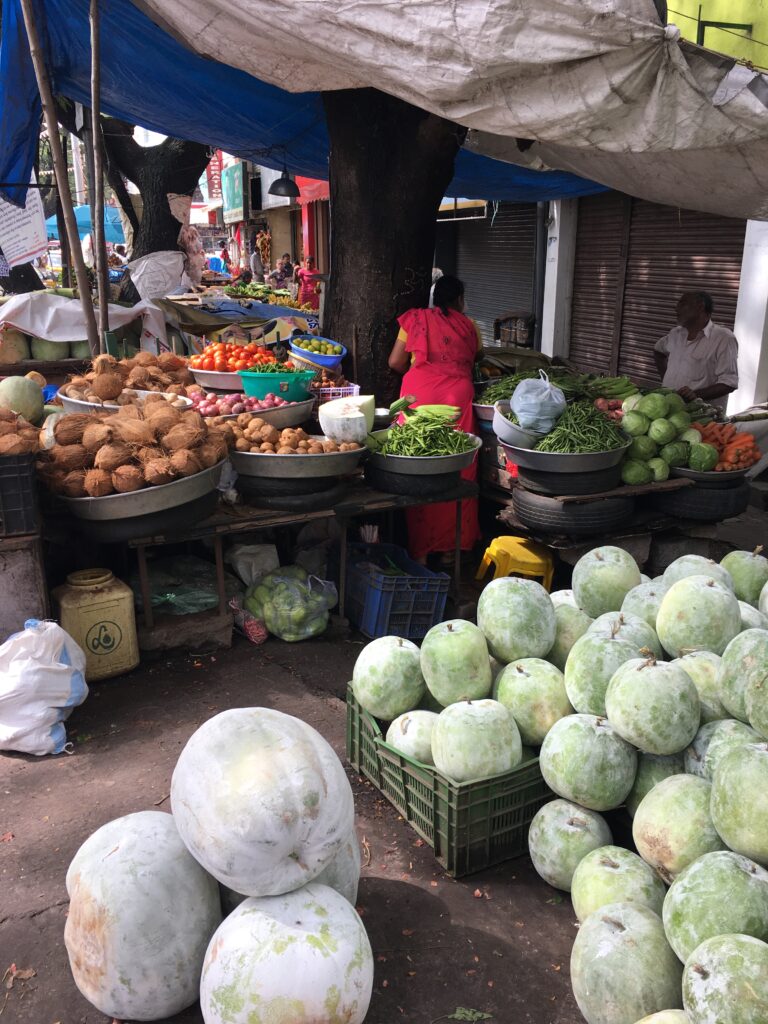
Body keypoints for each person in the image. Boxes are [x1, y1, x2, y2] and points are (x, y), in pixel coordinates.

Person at [388, 275, 482, 564]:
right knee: (458, 469)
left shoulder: (415, 319)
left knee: (418, 465)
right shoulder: (469, 325)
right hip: (457, 398)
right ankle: (452, 552)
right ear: (459, 300)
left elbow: (395, 362)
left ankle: (421, 553)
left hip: (419, 396)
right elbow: (478, 356)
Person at [654, 291, 738, 411]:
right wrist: (665, 378)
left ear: (700, 307)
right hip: (668, 409)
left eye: (682, 304)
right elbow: (658, 351)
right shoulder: (676, 334)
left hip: (701, 415)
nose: (676, 308)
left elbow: (729, 382)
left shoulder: (723, 338)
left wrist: (696, 394)